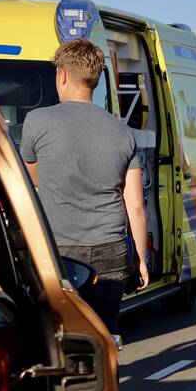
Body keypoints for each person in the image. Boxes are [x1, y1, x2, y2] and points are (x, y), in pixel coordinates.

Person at [20, 38, 149, 334]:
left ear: (62, 75)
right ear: (95, 80)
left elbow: (32, 179)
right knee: (103, 336)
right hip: (111, 249)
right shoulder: (123, 132)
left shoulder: (36, 121)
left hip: (58, 251)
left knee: (60, 336)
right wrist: (140, 259)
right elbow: (136, 206)